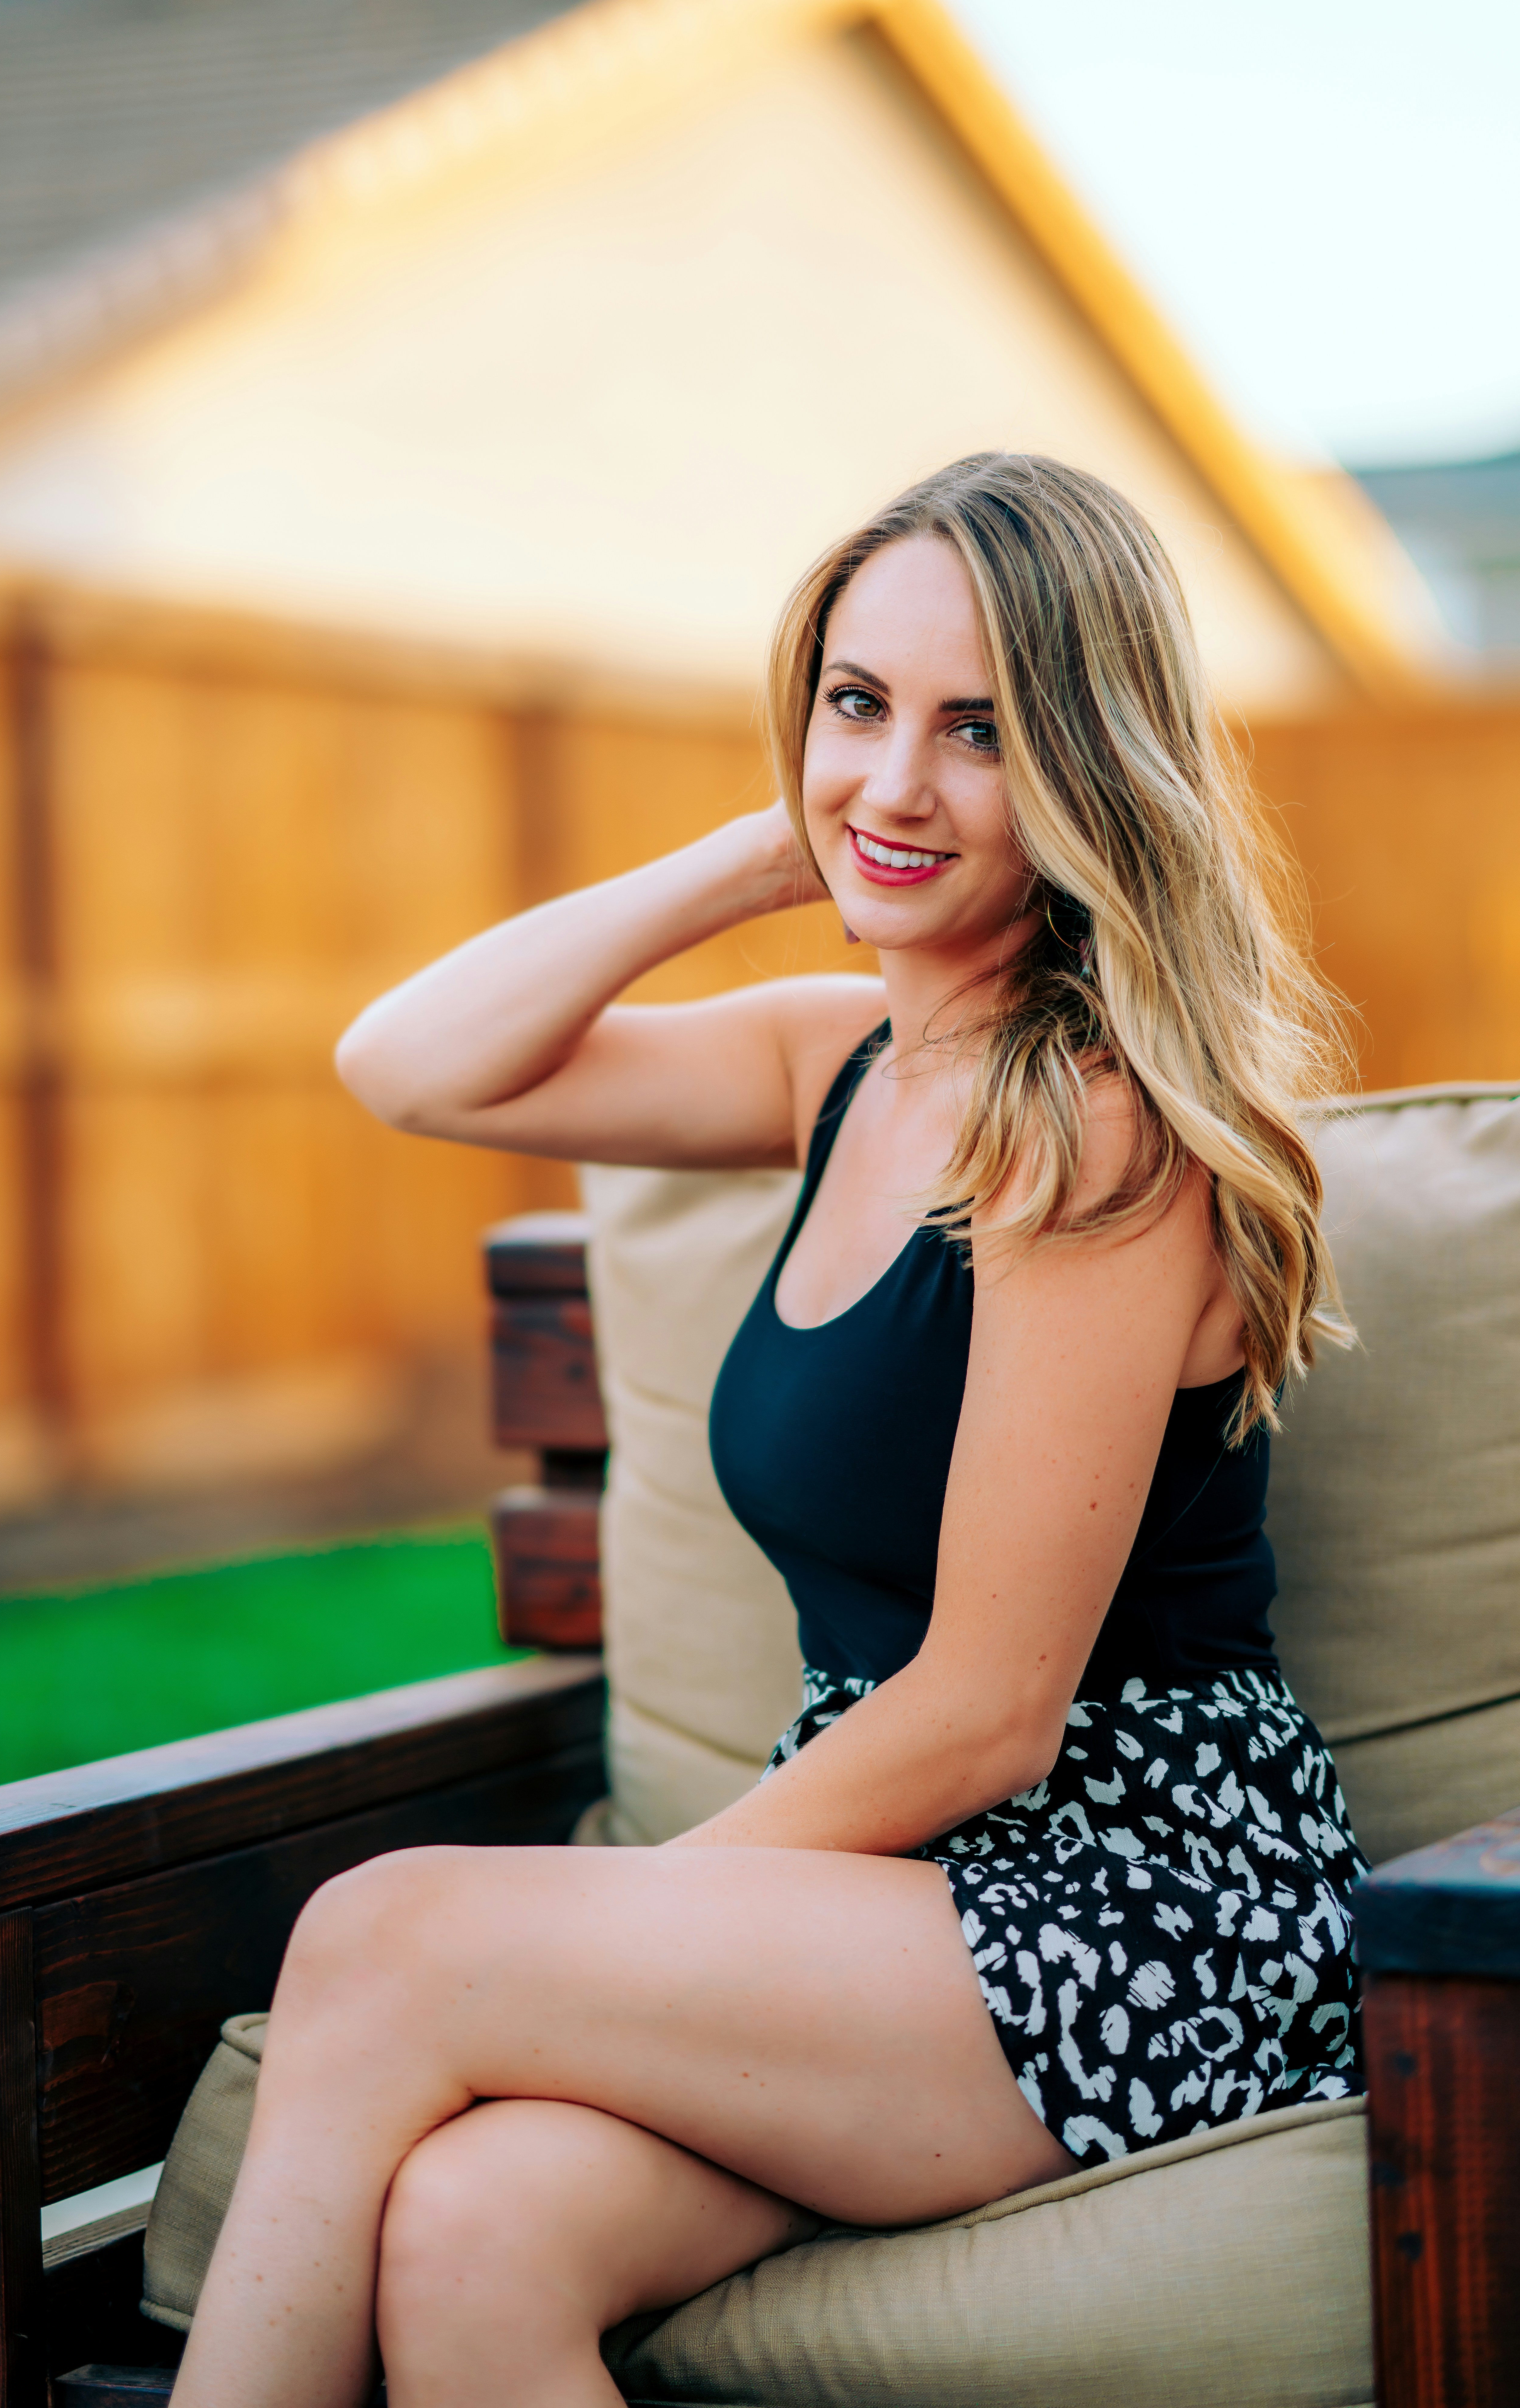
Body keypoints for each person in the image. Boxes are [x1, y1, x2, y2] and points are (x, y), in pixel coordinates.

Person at [169, 453, 1369, 2408]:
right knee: (472, 2226)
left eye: (978, 731)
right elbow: (406, 1064)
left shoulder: (1091, 1124)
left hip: (1129, 1907)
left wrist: (613, 1925)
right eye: (855, 703)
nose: (897, 783)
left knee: (391, 1935)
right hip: (886, 1889)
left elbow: (992, 1705)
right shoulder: (852, 1056)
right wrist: (763, 852)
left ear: (1088, 758)